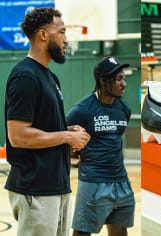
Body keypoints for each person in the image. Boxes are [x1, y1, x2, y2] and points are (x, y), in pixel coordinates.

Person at [4, 7, 90, 236]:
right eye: (61, 31)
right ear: (43, 35)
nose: (65, 38)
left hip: (57, 186)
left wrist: (67, 131)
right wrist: (67, 136)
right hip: (35, 187)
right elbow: (19, 136)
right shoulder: (25, 76)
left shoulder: (50, 77)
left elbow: (43, 127)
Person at [67, 56, 135, 236]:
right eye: (119, 79)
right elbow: (62, 135)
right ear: (104, 81)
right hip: (93, 181)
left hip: (121, 180)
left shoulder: (124, 108)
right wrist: (71, 157)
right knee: (82, 233)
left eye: (124, 78)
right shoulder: (82, 109)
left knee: (120, 232)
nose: (124, 84)